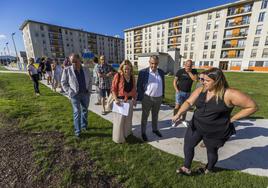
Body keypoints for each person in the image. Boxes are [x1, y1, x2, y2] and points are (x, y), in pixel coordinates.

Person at [172, 68, 258, 175]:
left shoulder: (229, 94)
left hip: (215, 130)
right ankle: (186, 167)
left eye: (207, 81)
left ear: (217, 81)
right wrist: (179, 113)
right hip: (197, 125)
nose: (203, 82)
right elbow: (189, 102)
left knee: (211, 151)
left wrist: (232, 119)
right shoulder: (201, 90)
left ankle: (209, 168)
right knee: (188, 145)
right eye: (203, 80)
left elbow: (252, 106)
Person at [61, 53, 92, 138]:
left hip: (85, 94)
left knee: (85, 110)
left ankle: (84, 126)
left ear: (79, 59)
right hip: (75, 95)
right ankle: (78, 132)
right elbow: (63, 83)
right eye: (72, 62)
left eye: (75, 61)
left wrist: (89, 91)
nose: (73, 63)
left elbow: (90, 81)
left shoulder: (86, 69)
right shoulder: (67, 70)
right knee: (77, 112)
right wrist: (70, 92)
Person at [137, 55, 165, 141]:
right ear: (149, 62)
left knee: (155, 115)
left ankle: (155, 129)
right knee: (145, 116)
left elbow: (163, 84)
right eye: (152, 63)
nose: (154, 65)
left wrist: (162, 94)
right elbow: (139, 86)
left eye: (156, 64)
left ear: (158, 63)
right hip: (147, 98)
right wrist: (142, 97)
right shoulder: (143, 72)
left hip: (158, 98)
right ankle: (143, 132)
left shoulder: (161, 72)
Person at [111, 60, 137, 143]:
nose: (127, 71)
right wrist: (115, 99)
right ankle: (118, 138)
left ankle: (126, 134)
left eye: (128, 69)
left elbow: (134, 90)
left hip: (129, 101)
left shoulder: (132, 77)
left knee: (128, 120)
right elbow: (113, 89)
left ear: (131, 69)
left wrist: (134, 99)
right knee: (119, 121)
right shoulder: (117, 76)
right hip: (120, 101)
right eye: (125, 69)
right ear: (122, 68)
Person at [172, 60, 197, 127]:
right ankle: (174, 120)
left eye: (190, 66)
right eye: (187, 66)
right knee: (177, 106)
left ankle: (183, 120)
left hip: (188, 92)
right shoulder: (180, 71)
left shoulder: (194, 71)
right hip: (179, 92)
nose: (188, 67)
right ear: (184, 65)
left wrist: (189, 72)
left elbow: (195, 79)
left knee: (185, 107)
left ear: (192, 66)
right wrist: (177, 90)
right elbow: (174, 81)